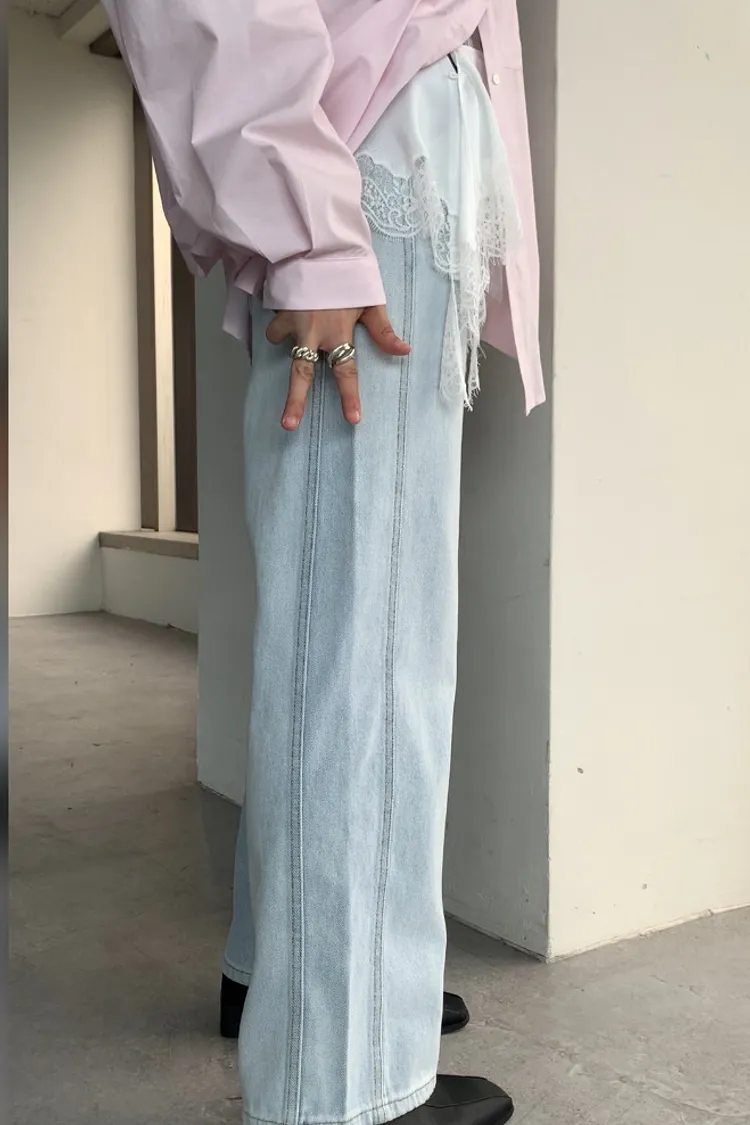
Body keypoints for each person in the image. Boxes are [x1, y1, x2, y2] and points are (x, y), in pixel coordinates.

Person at [103, 3, 545, 1125]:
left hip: (374, 163)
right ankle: (340, 1081)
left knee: (341, 619)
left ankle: (287, 971)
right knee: (371, 645)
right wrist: (310, 236)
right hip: (366, 173)